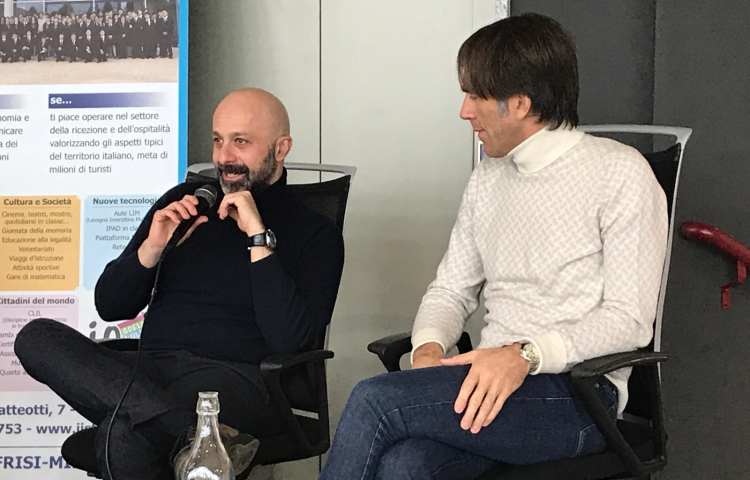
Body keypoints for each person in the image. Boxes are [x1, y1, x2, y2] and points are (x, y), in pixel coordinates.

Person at [319, 13, 668, 480]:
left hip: (581, 398)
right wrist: (427, 351)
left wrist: (524, 354)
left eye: (476, 96)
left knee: (374, 400)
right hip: (493, 387)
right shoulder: (488, 178)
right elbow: (451, 290)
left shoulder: (620, 174)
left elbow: (629, 320)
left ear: (520, 103)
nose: (465, 111)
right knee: (407, 465)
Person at [14, 88, 345, 480]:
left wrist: (258, 237)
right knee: (36, 337)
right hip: (151, 369)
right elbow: (111, 305)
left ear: (281, 147)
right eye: (218, 140)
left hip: (236, 383)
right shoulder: (183, 203)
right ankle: (195, 437)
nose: (224, 158)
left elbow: (289, 339)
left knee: (121, 435)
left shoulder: (315, 233)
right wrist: (153, 247)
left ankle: (183, 430)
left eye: (241, 142)